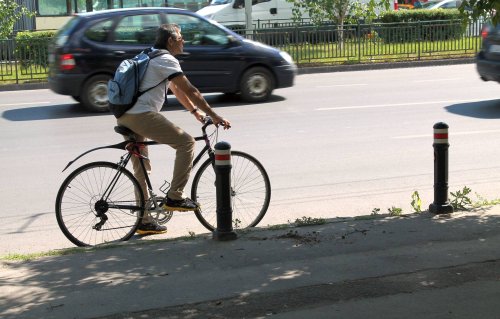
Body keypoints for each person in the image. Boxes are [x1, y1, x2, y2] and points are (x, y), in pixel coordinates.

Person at [117, 24, 231, 235]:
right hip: (141, 115)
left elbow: (175, 88)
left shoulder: (150, 55)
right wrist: (215, 115)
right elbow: (190, 89)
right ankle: (175, 197)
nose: (183, 41)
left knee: (142, 169)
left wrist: (195, 112)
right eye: (181, 38)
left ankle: (144, 221)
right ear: (170, 41)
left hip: (125, 114)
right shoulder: (167, 59)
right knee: (186, 142)